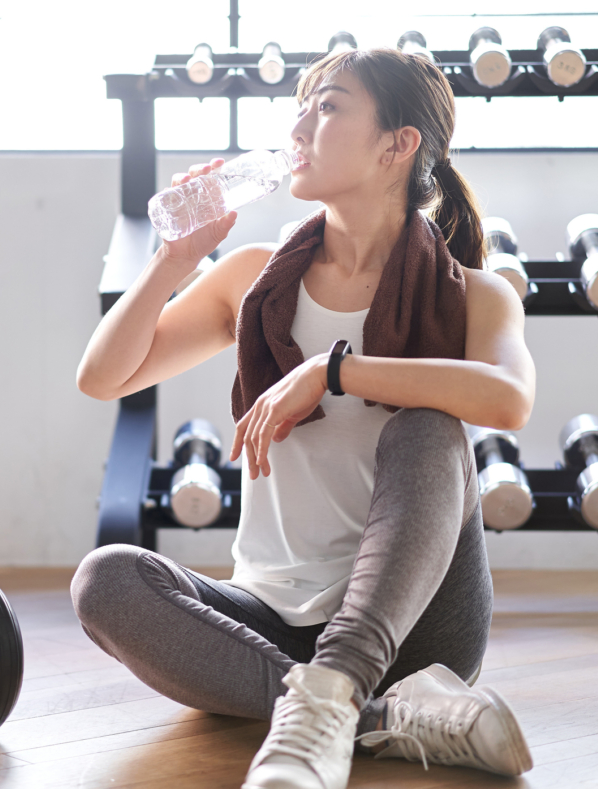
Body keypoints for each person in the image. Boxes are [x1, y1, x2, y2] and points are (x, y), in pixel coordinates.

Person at [73, 45, 536, 789]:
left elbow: (508, 399)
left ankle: (342, 684)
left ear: (397, 145)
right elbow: (103, 378)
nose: (298, 128)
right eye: (299, 109)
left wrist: (333, 372)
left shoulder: (475, 296)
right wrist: (173, 259)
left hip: (418, 630)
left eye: (327, 108)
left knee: (427, 426)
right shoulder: (251, 276)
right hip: (272, 612)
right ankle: (375, 713)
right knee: (107, 580)